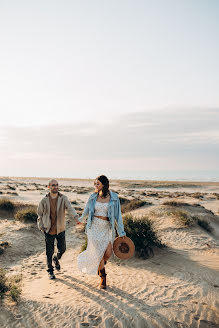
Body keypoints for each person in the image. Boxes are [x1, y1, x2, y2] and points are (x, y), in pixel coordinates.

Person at [77, 175, 126, 289]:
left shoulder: (114, 197)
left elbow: (118, 216)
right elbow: (86, 211)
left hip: (106, 228)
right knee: (98, 254)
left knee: (108, 253)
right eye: (95, 183)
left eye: (97, 183)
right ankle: (103, 278)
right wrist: (80, 219)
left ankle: (99, 266)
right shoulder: (93, 196)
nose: (95, 185)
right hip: (93, 228)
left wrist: (121, 232)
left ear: (104, 184)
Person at [37, 179, 79, 279]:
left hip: (60, 229)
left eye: (56, 185)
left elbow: (70, 208)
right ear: (49, 187)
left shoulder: (63, 198)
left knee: (63, 249)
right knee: (49, 252)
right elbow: (39, 214)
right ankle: (50, 270)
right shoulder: (44, 200)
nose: (55, 187)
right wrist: (41, 226)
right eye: (53, 185)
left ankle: (56, 258)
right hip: (48, 230)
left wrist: (76, 217)